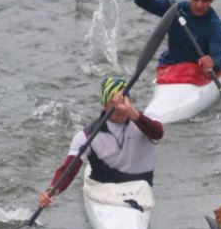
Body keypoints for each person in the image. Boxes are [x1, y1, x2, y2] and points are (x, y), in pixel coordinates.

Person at [38, 77, 163, 208]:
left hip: (138, 191)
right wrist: (52, 191)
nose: (120, 109)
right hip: (103, 192)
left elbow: (157, 134)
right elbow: (69, 169)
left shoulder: (148, 120)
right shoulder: (86, 136)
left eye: (123, 103)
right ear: (104, 105)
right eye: (113, 105)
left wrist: (131, 112)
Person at [134, 0, 221, 85]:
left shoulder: (215, 26)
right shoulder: (176, 9)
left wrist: (212, 62)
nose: (199, 5)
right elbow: (141, 1)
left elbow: (219, 59)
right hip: (171, 67)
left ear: (211, 1)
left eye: (204, 1)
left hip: (197, 71)